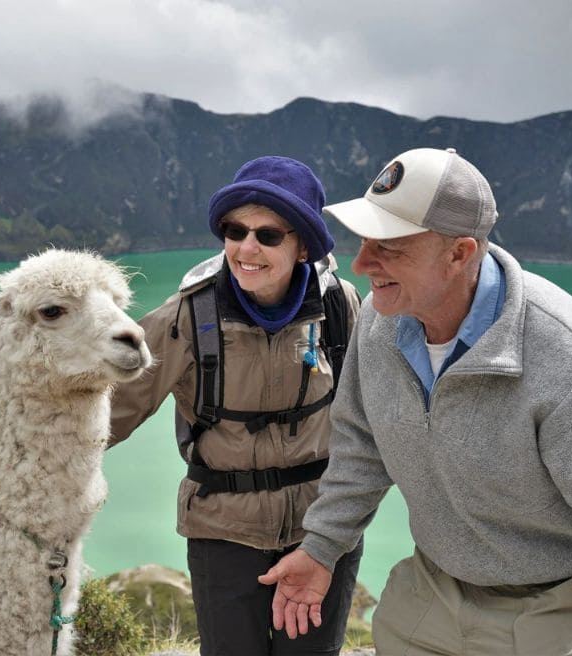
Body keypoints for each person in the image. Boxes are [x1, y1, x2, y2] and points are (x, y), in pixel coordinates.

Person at [260, 147, 572, 655]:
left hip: (555, 605)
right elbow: (361, 444)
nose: (361, 264)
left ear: (459, 254)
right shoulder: (380, 320)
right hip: (431, 589)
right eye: (365, 241)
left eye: (390, 247)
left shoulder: (563, 357)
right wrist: (322, 547)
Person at [109, 155, 364, 655]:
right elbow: (107, 410)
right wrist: (6, 454)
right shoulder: (188, 316)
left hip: (320, 530)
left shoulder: (338, 305)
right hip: (224, 534)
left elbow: (376, 411)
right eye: (235, 231)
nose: (246, 248)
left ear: (303, 246)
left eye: (268, 235)